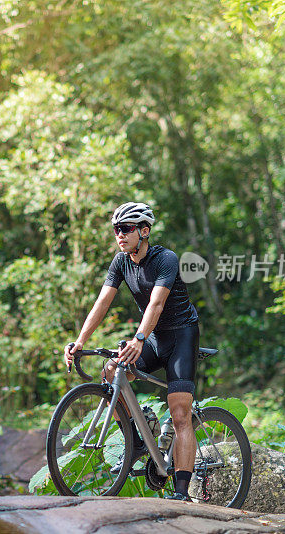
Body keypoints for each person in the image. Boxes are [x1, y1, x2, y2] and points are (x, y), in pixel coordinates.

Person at [63, 202, 200, 502]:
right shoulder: (121, 262)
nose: (120, 235)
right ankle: (136, 439)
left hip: (180, 336)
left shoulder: (166, 259)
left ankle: (181, 492)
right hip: (152, 337)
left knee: (179, 414)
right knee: (111, 370)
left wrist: (138, 338)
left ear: (144, 230)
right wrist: (81, 340)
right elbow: (102, 302)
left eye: (125, 229)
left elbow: (156, 304)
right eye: (116, 230)